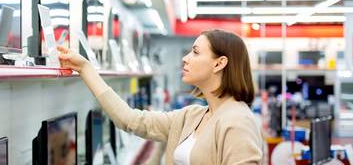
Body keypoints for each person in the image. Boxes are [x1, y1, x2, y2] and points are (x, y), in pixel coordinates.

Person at [57, 29, 262, 165]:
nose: (185, 58)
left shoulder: (237, 121)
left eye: (195, 52)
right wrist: (85, 69)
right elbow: (130, 120)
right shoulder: (191, 116)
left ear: (219, 63)